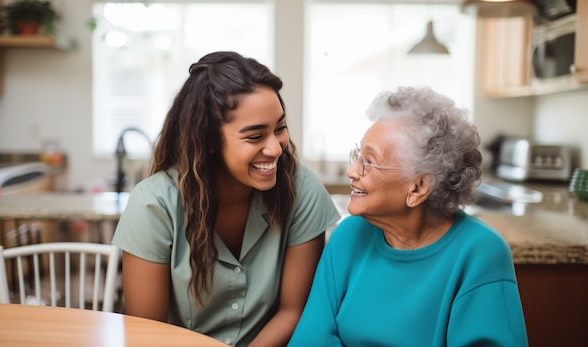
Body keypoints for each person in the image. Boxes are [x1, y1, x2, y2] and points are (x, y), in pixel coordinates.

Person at [111, 51, 340, 347]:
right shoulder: (153, 205)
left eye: (280, 128)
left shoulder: (302, 189)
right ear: (207, 141)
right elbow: (148, 334)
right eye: (255, 137)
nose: (275, 148)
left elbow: (292, 312)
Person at [288, 86, 528, 346]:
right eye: (357, 156)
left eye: (369, 161)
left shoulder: (479, 253)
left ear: (418, 187)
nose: (351, 170)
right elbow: (310, 338)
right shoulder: (348, 236)